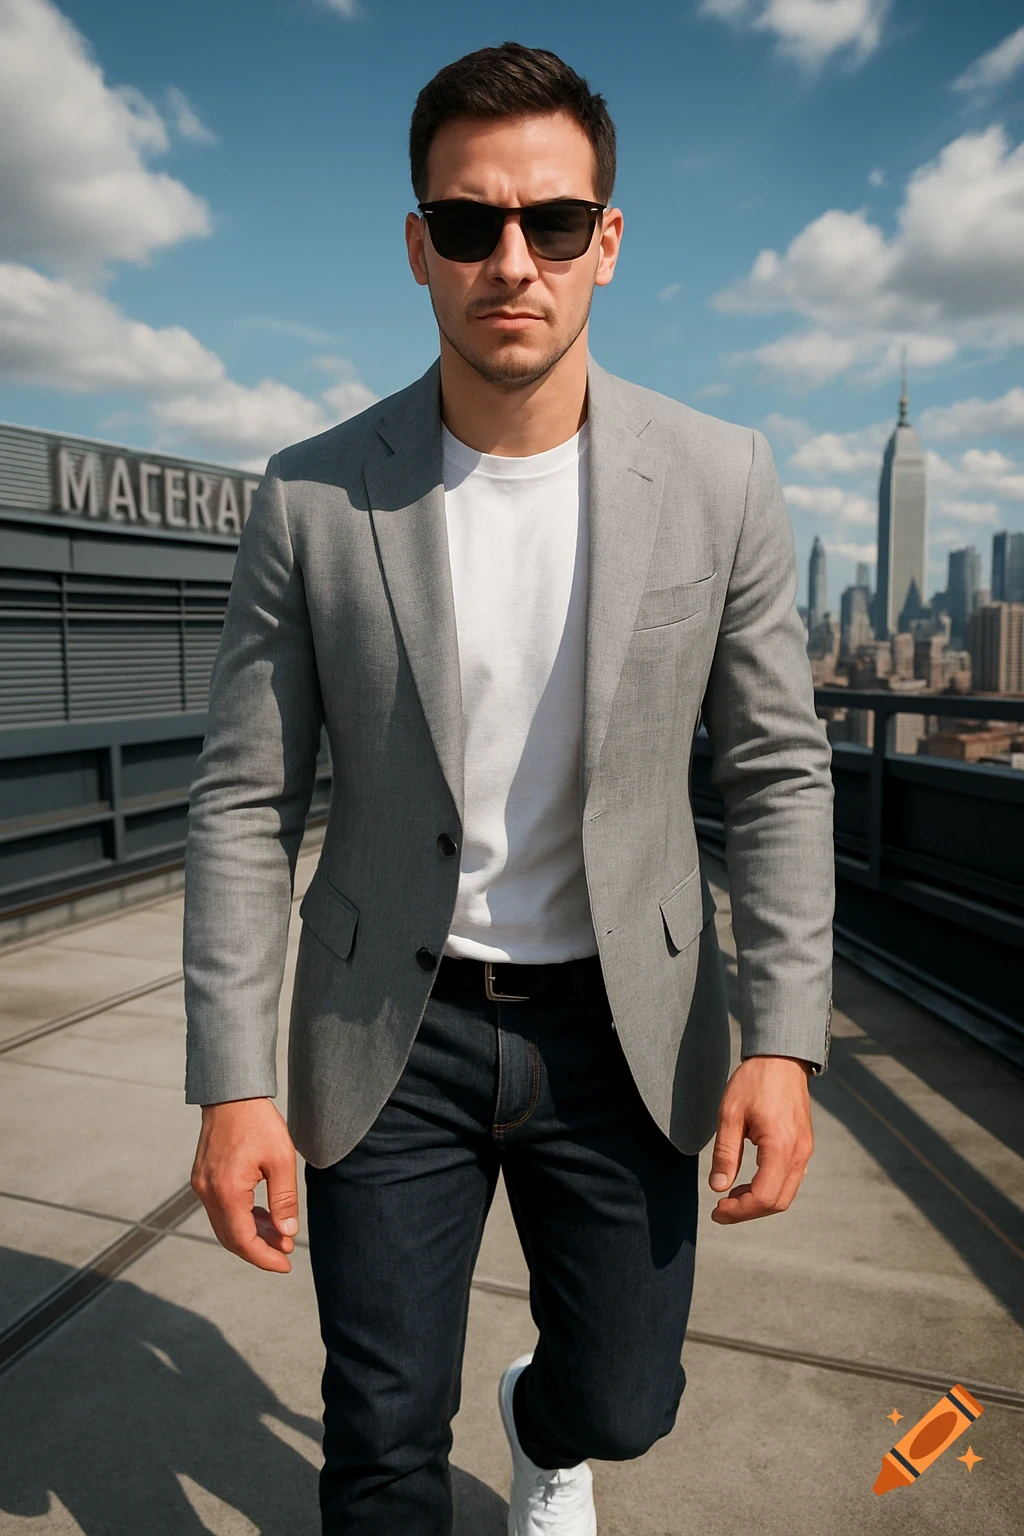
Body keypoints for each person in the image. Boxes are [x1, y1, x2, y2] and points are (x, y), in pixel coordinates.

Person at [183, 39, 834, 1536]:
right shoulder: (312, 494)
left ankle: (547, 1426)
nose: (512, 261)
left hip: (626, 1026)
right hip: (387, 1033)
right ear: (419, 247)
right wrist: (232, 1080)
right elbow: (241, 801)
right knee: (380, 1446)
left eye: (552, 222)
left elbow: (780, 772)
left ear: (609, 239)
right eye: (470, 225)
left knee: (626, 1400)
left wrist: (785, 1042)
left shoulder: (723, 477)